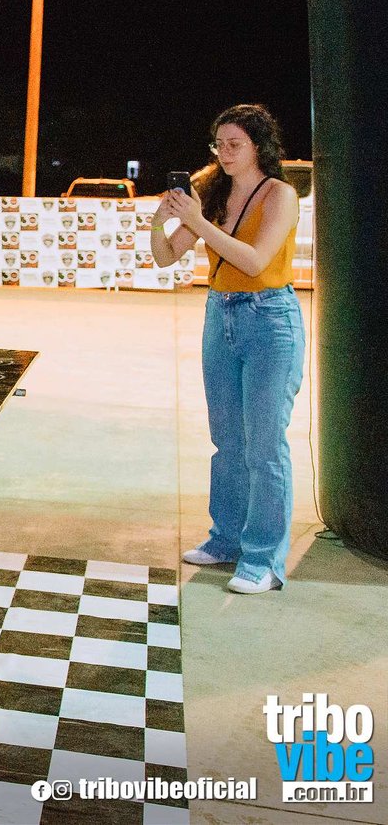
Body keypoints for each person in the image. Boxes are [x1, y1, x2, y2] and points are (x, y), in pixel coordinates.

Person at [152, 104, 302, 595]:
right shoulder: (213, 193)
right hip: (221, 313)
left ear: (259, 145)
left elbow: (255, 261)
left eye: (235, 144)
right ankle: (226, 538)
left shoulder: (279, 194)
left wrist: (198, 220)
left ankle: (263, 559)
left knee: (265, 444)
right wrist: (161, 221)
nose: (225, 153)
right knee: (228, 441)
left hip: (270, 318)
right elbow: (166, 256)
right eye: (219, 144)